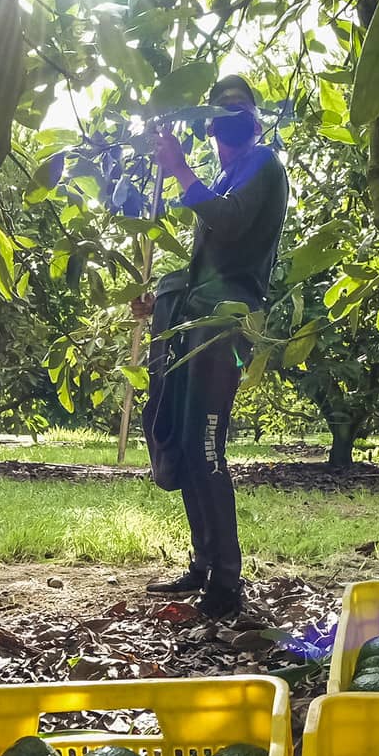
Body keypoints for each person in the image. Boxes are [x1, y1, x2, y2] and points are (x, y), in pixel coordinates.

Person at [132, 75, 289, 619]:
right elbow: (205, 267)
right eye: (217, 125)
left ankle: (226, 583)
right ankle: (202, 566)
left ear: (254, 125)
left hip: (225, 327)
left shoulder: (263, 166)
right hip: (195, 322)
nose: (226, 134)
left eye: (236, 122)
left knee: (205, 449)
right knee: (178, 437)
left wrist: (178, 168)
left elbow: (229, 224)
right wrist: (162, 300)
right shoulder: (226, 174)